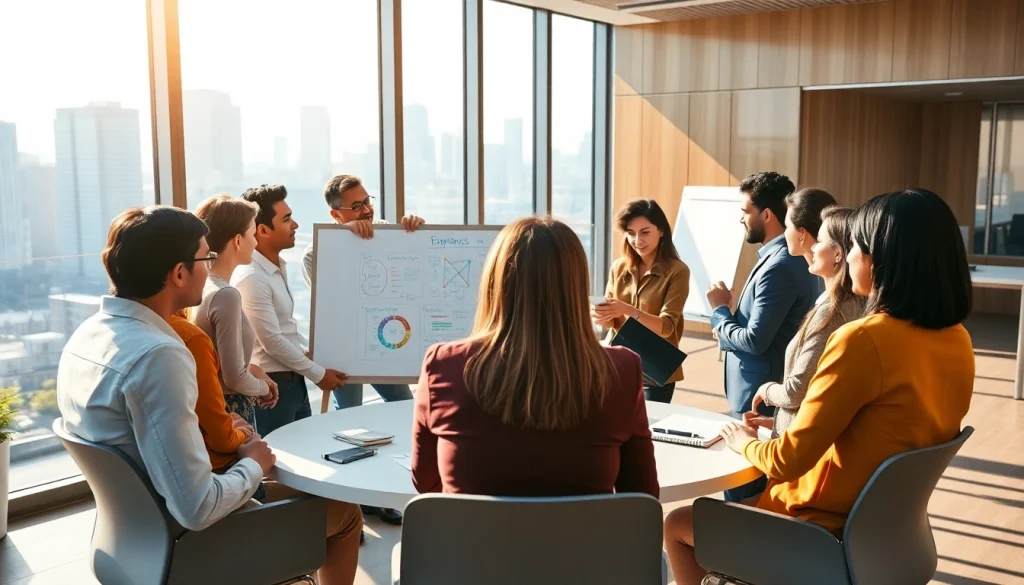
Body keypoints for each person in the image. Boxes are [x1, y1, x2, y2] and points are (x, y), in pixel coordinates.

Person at [664, 189, 975, 585]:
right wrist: (782, 427)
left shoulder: (862, 339)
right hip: (884, 535)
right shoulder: (957, 340)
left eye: (858, 245)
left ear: (884, 261)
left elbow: (786, 462)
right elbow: (885, 431)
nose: (852, 254)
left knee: (677, 524)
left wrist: (740, 440)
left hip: (816, 532)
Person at [411, 217, 659, 499]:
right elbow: (642, 494)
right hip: (582, 543)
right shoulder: (621, 371)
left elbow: (427, 483)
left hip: (475, 542)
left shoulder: (445, 365)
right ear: (576, 287)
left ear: (495, 283)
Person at [167, 310, 363, 583]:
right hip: (212, 528)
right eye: (199, 264)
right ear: (178, 274)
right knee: (347, 514)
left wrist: (225, 422)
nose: (205, 268)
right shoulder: (188, 338)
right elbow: (218, 447)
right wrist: (253, 460)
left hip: (154, 532)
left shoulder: (124, 338)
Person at [300, 173, 424, 526]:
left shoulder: (389, 231)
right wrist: (348, 243)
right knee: (348, 421)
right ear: (335, 214)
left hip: (389, 343)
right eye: (356, 207)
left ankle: (393, 486)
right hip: (347, 349)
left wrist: (414, 228)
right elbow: (338, 298)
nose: (367, 210)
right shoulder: (317, 251)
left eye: (368, 201)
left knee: (404, 408)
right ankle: (355, 499)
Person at [706, 171, 820, 501]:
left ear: (766, 214)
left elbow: (756, 340)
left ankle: (740, 550)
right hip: (759, 394)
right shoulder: (782, 258)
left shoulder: (780, 264)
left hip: (758, 399)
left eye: (745, 211)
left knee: (743, 496)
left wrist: (719, 312)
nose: (741, 219)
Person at [747, 192, 865, 437]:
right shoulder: (834, 300)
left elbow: (795, 391)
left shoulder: (833, 311)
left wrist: (766, 390)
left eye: (819, 241)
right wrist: (777, 423)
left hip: (799, 450)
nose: (813, 246)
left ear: (837, 254)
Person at [233, 184, 347, 436]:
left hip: (293, 383)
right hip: (272, 389)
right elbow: (272, 341)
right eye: (286, 219)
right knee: (279, 469)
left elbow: (286, 330)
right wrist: (318, 374)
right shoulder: (252, 277)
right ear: (262, 230)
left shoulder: (275, 269)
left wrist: (313, 354)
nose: (295, 225)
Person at [191, 194, 278, 435]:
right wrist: (265, 387)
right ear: (238, 240)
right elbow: (234, 379)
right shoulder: (226, 295)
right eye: (252, 234)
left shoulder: (205, 286)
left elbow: (218, 361)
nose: (256, 242)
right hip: (231, 410)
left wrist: (253, 369)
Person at [592, 199, 689, 403]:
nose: (637, 240)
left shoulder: (677, 271)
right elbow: (611, 322)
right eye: (631, 233)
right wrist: (602, 315)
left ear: (661, 230)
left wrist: (626, 309)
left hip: (654, 370)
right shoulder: (619, 267)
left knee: (649, 429)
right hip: (617, 365)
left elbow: (667, 327)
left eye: (645, 232)